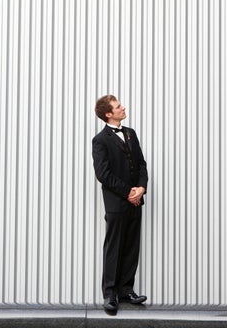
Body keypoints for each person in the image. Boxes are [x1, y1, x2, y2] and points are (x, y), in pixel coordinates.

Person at [92, 95, 149, 314]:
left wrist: (141, 188)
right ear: (108, 114)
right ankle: (110, 294)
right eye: (118, 106)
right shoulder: (100, 140)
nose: (123, 107)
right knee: (114, 247)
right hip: (117, 202)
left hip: (136, 200)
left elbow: (141, 164)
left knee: (131, 246)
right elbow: (103, 174)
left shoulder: (130, 133)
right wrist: (128, 192)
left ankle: (126, 290)